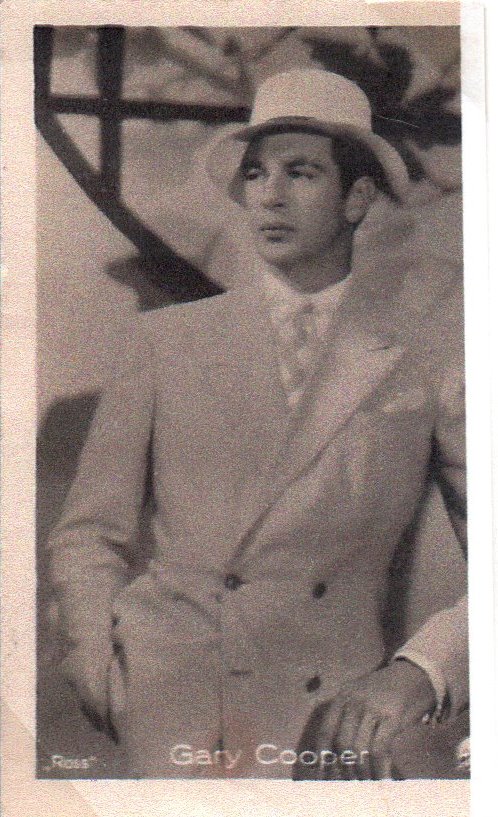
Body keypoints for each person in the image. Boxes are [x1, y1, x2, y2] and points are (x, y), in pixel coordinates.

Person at [47, 69, 468, 780]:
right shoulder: (166, 342)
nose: (269, 195)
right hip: (175, 708)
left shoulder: (420, 357)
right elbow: (90, 533)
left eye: (300, 172)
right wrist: (99, 661)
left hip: (330, 722)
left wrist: (420, 671)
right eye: (255, 173)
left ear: (358, 199)